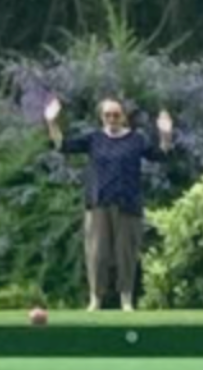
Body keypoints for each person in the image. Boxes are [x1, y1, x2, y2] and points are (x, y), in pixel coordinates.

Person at [45, 96, 172, 311]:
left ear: (123, 117)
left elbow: (160, 155)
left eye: (116, 115)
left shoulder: (136, 139)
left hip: (128, 204)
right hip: (98, 204)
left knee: (126, 254)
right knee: (97, 254)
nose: (112, 119)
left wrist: (166, 134)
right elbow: (62, 145)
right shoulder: (94, 139)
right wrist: (52, 122)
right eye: (107, 115)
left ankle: (126, 300)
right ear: (101, 117)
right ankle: (95, 300)